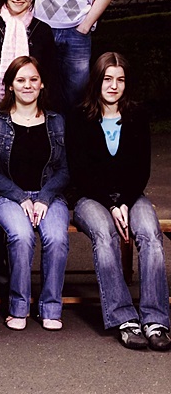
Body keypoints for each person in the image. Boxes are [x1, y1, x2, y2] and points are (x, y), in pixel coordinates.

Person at [67, 52, 171, 351]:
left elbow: (141, 169)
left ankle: (155, 320)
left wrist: (124, 201)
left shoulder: (137, 115)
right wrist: (111, 205)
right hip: (90, 197)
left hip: (130, 195)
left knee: (150, 234)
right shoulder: (79, 116)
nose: (114, 86)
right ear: (96, 81)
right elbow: (80, 172)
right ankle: (125, 319)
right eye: (108, 79)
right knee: (105, 234)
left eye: (120, 80)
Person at [0, 55, 69, 331]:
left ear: (42, 84)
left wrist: (44, 198)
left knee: (56, 237)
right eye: (20, 80)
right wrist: (21, 197)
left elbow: (65, 170)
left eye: (33, 79)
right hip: (7, 197)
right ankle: (18, 307)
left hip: (48, 195)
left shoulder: (56, 121)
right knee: (21, 236)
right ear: (10, 85)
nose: (27, 85)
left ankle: (50, 308)